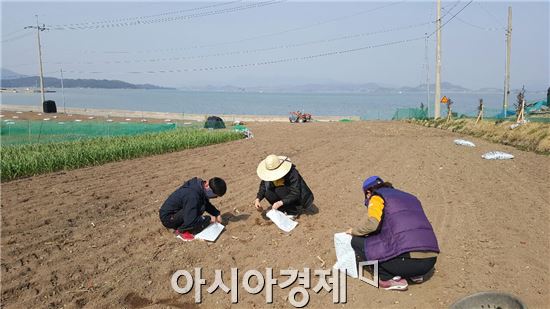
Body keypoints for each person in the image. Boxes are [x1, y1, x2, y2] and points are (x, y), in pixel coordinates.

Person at [346, 176, 439, 291]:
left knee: (357, 242)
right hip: (429, 262)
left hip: (409, 263)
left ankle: (388, 279)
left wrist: (353, 231)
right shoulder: (410, 197)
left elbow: (372, 224)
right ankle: (414, 275)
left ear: (368, 192)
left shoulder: (376, 197)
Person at [159, 177, 226, 241]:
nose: (214, 197)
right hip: (168, 218)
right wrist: (208, 218)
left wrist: (217, 213)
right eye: (214, 195)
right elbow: (191, 219)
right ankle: (181, 230)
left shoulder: (199, 188)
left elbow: (206, 203)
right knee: (198, 210)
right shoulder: (193, 195)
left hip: (177, 212)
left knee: (200, 206)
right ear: (207, 185)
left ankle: (185, 225)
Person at [254, 154, 314, 218]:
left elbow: (296, 192)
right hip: (284, 194)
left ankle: (293, 212)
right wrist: (258, 199)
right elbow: (264, 185)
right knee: (268, 193)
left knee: (279, 190)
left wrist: (280, 203)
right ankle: (282, 210)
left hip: (297, 197)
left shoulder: (292, 173)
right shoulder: (268, 175)